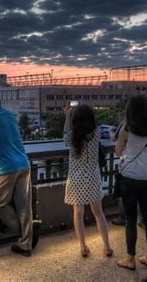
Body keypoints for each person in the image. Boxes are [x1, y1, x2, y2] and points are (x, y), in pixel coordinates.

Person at [0, 95, 38, 257]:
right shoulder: (10, 115)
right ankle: (27, 240)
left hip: (4, 166)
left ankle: (26, 232)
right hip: (23, 163)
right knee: (24, 205)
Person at [115, 95, 147, 270]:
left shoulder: (127, 128)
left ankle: (130, 259)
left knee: (131, 219)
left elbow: (118, 151)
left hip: (129, 177)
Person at [63, 104, 112, 257]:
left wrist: (67, 116)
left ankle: (83, 247)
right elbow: (101, 127)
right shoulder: (96, 133)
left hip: (76, 179)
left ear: (75, 120)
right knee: (98, 212)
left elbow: (66, 132)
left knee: (78, 213)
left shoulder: (71, 138)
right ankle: (107, 246)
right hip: (92, 177)